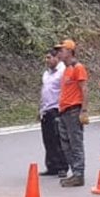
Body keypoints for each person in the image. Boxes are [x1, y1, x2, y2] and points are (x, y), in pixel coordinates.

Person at [55, 39, 89, 187]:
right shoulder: (66, 69)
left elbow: (84, 89)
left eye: (61, 50)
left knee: (75, 144)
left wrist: (84, 110)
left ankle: (79, 174)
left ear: (69, 51)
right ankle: (74, 172)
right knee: (65, 144)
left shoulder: (77, 67)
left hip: (73, 110)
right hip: (63, 111)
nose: (59, 53)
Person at [38, 48, 66, 176]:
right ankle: (51, 166)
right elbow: (45, 92)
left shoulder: (62, 72)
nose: (47, 60)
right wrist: (41, 109)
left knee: (58, 139)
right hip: (46, 109)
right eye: (46, 58)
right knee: (47, 139)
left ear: (57, 58)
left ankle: (62, 167)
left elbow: (65, 91)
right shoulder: (46, 73)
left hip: (57, 109)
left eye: (49, 57)